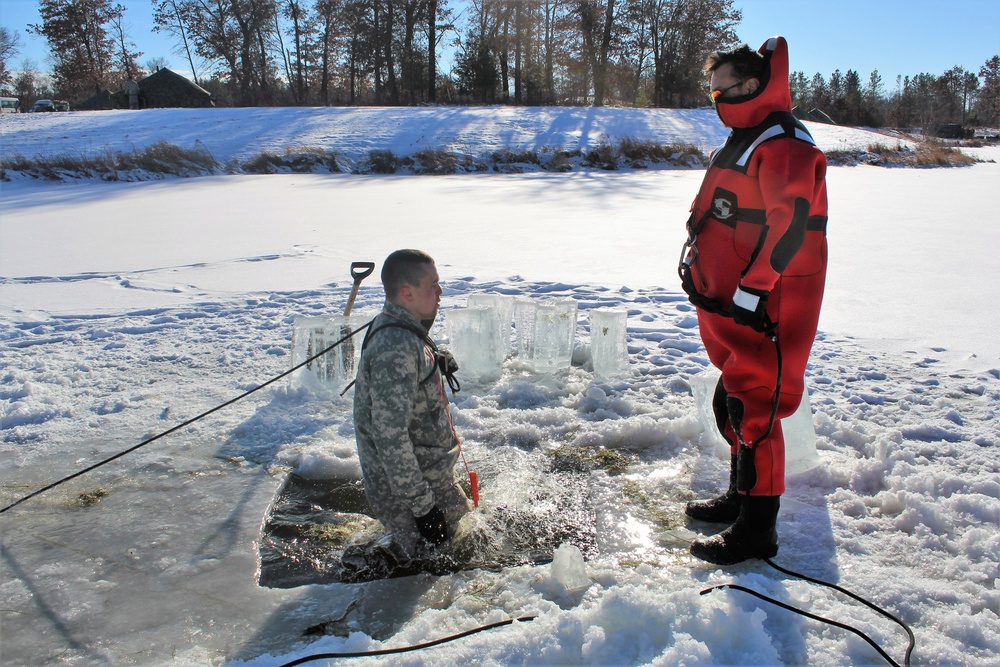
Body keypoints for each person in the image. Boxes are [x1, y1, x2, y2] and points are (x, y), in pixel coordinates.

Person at [679, 36, 829, 565]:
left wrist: (753, 289)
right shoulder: (749, 135)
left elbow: (789, 229)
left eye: (725, 91)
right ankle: (742, 496)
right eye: (712, 92)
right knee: (733, 400)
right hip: (731, 304)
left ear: (753, 84)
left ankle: (757, 530)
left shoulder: (783, 142)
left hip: (765, 304)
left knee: (756, 408)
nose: (717, 101)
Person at [352, 249, 471, 569]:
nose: (440, 291)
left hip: (426, 471)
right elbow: (390, 440)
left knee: (462, 534)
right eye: (433, 285)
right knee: (429, 564)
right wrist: (424, 510)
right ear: (408, 293)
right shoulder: (396, 348)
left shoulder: (399, 327)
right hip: (409, 491)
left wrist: (432, 357)